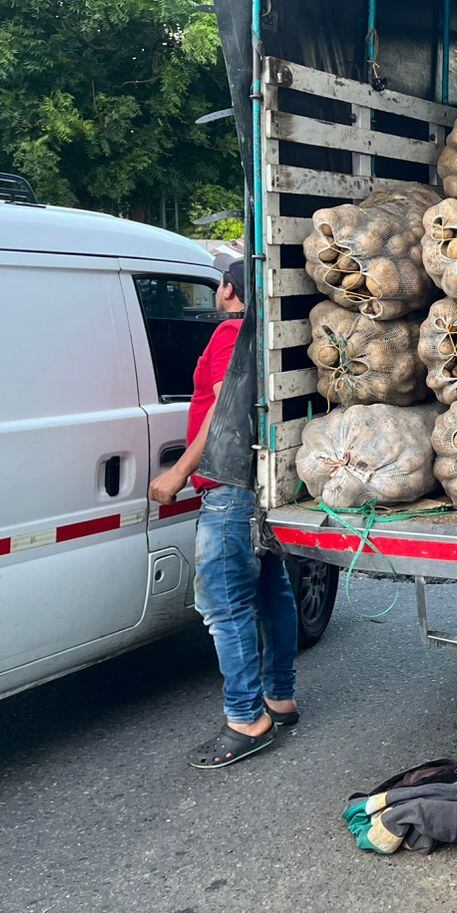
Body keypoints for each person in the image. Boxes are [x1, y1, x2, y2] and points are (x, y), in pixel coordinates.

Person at [148, 259, 299, 768]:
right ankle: (280, 698)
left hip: (228, 489)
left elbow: (221, 409)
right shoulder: (265, 336)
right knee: (272, 593)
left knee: (225, 605)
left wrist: (178, 473)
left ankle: (247, 719)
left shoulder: (229, 334)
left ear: (229, 290)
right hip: (261, 483)